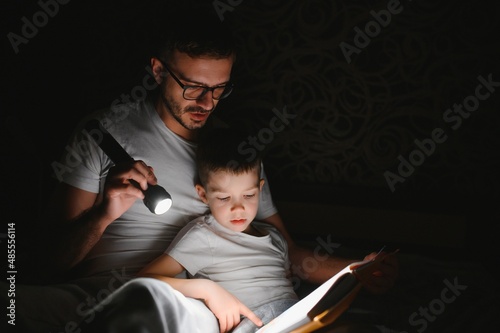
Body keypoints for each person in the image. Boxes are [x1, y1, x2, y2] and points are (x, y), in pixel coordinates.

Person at [5, 8, 398, 333]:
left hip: (190, 300)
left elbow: (283, 250)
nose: (206, 102)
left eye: (219, 89)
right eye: (192, 87)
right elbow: (50, 261)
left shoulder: (232, 154)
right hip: (92, 295)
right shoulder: (104, 133)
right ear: (158, 71)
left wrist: (354, 270)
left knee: (158, 306)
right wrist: (104, 212)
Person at [137, 128, 299, 333]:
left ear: (260, 188)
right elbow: (146, 278)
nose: (238, 208)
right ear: (203, 195)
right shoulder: (205, 236)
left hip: (295, 313)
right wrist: (206, 289)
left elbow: (287, 284)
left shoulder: (275, 237)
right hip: (255, 323)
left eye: (248, 195)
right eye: (224, 198)